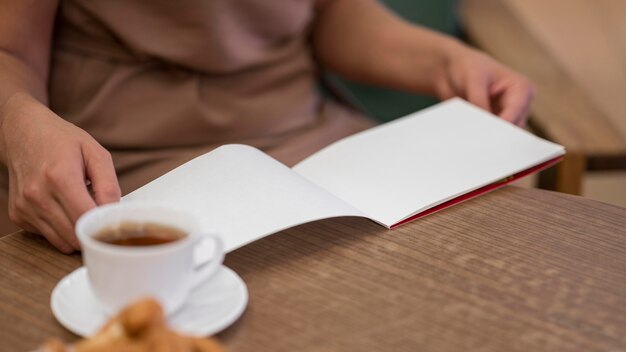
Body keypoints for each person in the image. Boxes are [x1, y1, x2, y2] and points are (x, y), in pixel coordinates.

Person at [0, 0, 533, 253]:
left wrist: (449, 63)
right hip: (126, 171)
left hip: (319, 151)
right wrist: (22, 121)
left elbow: (329, 15)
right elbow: (10, 50)